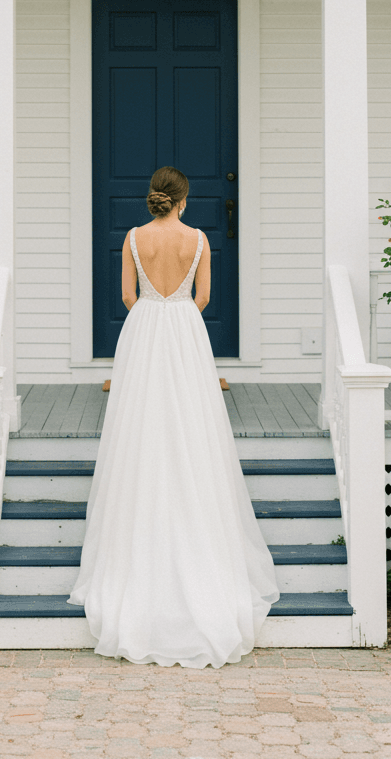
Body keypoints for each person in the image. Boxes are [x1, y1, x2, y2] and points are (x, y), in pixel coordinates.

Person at [68, 165, 279, 667]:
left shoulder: (134, 238)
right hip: (185, 330)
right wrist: (178, 309)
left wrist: (152, 308)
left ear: (154, 198)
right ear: (183, 200)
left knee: (139, 427)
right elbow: (203, 298)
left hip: (142, 331)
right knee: (192, 425)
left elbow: (127, 296)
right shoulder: (199, 239)